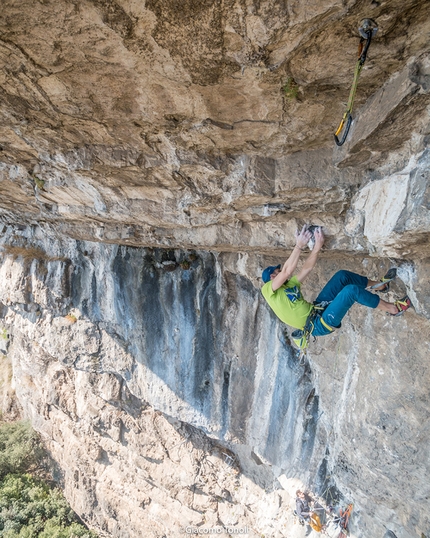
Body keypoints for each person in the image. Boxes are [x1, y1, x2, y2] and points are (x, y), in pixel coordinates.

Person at [261, 226, 411, 342]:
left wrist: (317, 246)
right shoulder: (268, 290)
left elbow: (306, 268)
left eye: (276, 271)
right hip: (318, 324)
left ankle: (379, 285)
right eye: (273, 275)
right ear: (269, 281)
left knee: (342, 276)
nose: (277, 275)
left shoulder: (290, 284)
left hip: (317, 310)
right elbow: (286, 271)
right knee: (351, 291)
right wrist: (299, 245)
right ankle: (393, 309)